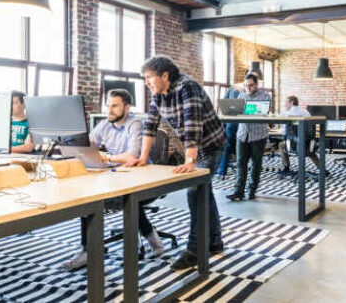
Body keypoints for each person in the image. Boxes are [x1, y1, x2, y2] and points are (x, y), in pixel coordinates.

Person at [126, 56, 225, 271]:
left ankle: (195, 251)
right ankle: (215, 242)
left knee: (195, 191)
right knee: (203, 193)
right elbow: (150, 126)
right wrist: (143, 157)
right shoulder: (159, 95)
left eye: (149, 77)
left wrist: (190, 162)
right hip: (196, 148)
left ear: (164, 75)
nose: (146, 82)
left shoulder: (187, 87)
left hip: (211, 145)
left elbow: (192, 126)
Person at [64, 89, 175, 271]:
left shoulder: (135, 124)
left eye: (115, 106)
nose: (110, 110)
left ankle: (155, 242)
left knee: (129, 199)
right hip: (117, 176)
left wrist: (105, 157)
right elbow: (87, 145)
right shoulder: (105, 124)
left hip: (145, 180)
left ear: (127, 107)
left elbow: (131, 156)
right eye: (108, 105)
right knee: (87, 196)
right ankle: (89, 249)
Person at [226, 73, 271, 201]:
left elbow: (262, 111)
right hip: (242, 134)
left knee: (256, 164)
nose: (248, 88)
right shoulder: (241, 96)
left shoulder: (265, 96)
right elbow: (238, 113)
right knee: (240, 163)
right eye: (246, 86)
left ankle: (251, 190)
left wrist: (246, 109)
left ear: (256, 84)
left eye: (250, 85)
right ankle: (238, 191)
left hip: (258, 135)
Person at [278, 96, 325, 175]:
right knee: (309, 148)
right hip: (308, 142)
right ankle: (322, 169)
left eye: (286, 102)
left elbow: (284, 132)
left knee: (281, 144)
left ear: (292, 103)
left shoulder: (287, 114)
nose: (285, 105)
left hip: (295, 144)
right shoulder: (306, 112)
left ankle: (286, 168)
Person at [217, 85, 241, 179]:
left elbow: (224, 105)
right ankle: (241, 173)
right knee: (241, 148)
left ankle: (222, 172)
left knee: (227, 147)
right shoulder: (238, 90)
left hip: (231, 123)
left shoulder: (233, 88)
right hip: (239, 124)